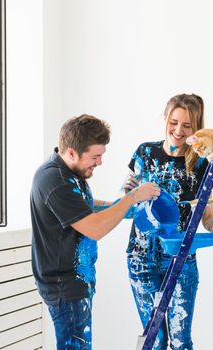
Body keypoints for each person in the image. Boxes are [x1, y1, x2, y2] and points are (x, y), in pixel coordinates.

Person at [30, 114, 160, 349]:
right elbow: (94, 228)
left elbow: (85, 204)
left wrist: (125, 207)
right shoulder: (54, 179)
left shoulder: (70, 173)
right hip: (64, 287)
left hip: (76, 282)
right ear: (71, 152)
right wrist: (131, 198)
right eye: (95, 157)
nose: (99, 163)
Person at [123, 94, 213, 350]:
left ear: (196, 128)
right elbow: (126, 199)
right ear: (165, 118)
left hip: (181, 259)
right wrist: (131, 196)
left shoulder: (201, 165)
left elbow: (207, 215)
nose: (178, 131)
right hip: (141, 259)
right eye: (174, 122)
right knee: (155, 339)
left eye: (187, 126)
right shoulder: (145, 153)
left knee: (180, 341)